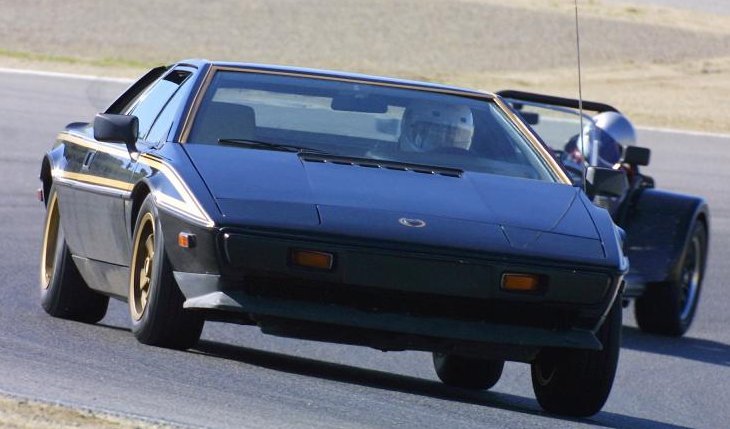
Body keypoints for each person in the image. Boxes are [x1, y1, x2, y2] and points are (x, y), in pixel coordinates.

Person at [398, 101, 474, 153]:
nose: (443, 138)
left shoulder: (471, 164)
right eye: (435, 132)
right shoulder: (388, 156)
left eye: (452, 133)